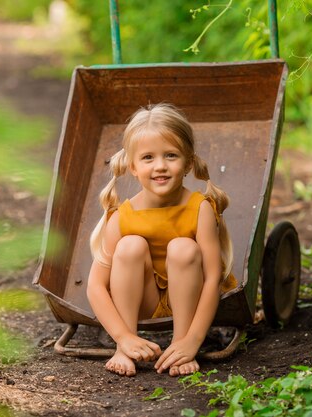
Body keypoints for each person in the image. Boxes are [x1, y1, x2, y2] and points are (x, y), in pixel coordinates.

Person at [86, 103, 236, 377]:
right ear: (132, 166)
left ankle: (179, 345)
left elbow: (213, 279)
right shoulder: (123, 216)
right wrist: (122, 337)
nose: (160, 166)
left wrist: (193, 342)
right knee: (130, 246)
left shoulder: (198, 208)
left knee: (183, 248)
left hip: (189, 297)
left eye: (170, 155)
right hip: (144, 299)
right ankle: (128, 347)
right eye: (148, 158)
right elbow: (95, 285)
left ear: (188, 162)